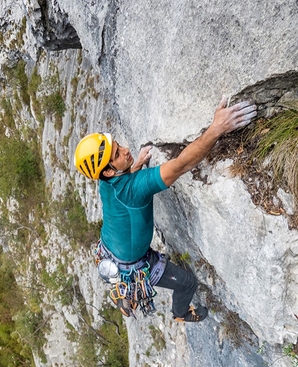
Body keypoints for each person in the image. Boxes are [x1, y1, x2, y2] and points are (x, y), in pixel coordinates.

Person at [74, 96, 257, 321]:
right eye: (118, 154)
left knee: (124, 271)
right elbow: (182, 164)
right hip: (134, 264)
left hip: (109, 250)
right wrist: (216, 128)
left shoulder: (105, 182)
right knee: (188, 283)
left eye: (119, 145)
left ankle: (122, 294)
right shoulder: (136, 188)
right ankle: (180, 314)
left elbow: (126, 182)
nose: (126, 149)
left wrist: (136, 164)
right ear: (109, 171)